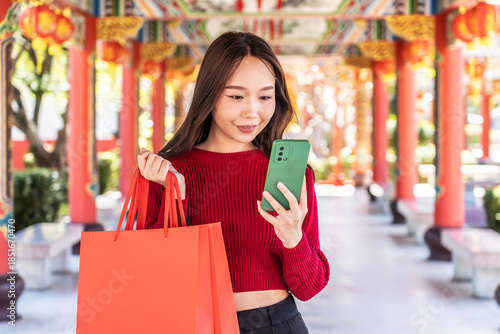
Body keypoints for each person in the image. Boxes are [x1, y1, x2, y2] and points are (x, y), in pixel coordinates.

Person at [137, 31, 330, 334]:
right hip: (193, 323)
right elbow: (151, 275)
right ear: (209, 95)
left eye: (265, 96)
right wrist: (178, 197)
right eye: (236, 96)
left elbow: (309, 287)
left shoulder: (293, 174)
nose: (252, 112)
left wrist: (292, 236)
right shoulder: (166, 172)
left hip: (275, 324)